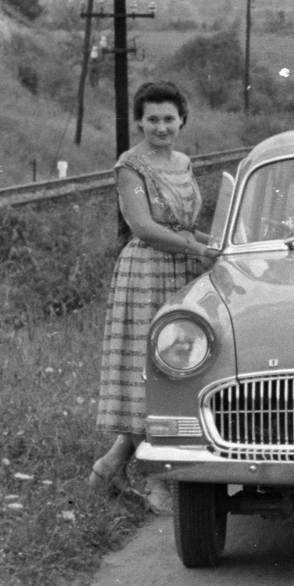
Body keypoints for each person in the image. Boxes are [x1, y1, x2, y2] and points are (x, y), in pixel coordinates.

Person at [91, 80, 218, 511]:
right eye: (152, 119)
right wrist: (198, 247)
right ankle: (156, 483)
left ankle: (109, 468)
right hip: (146, 271)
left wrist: (217, 244)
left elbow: (183, 227)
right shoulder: (131, 165)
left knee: (179, 366)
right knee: (146, 378)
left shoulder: (183, 161)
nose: (161, 127)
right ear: (140, 121)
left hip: (183, 269)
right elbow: (144, 226)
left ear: (182, 119)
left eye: (169, 119)